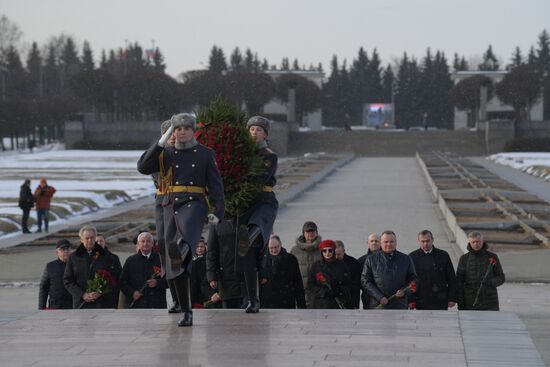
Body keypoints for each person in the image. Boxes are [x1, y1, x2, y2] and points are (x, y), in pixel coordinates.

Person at [137, 113, 224, 327]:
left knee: (181, 248)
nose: (182, 132)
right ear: (172, 132)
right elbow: (143, 167)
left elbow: (216, 186)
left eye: (186, 128)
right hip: (170, 206)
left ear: (193, 130)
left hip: (194, 204)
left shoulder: (205, 153)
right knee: (173, 258)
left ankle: (185, 306)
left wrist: (218, 212)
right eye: (178, 129)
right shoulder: (165, 153)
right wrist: (162, 140)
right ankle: (186, 309)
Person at [233, 116, 279, 314]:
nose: (254, 132)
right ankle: (253, 299)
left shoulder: (269, 156)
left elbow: (258, 178)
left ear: (265, 134)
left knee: (254, 232)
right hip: (244, 205)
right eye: (251, 129)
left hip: (263, 202)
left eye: (259, 130)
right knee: (247, 257)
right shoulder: (238, 154)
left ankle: (252, 235)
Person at [152, 120, 180, 314]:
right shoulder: (158, 156)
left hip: (179, 202)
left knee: (176, 249)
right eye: (168, 135)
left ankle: (181, 298)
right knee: (163, 247)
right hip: (162, 201)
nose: (172, 138)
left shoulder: (185, 154)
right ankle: (176, 297)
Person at [63, 225, 118, 309]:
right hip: (81, 303)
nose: (90, 240)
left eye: (92, 238)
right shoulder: (73, 257)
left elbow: (114, 277)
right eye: (87, 238)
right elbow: (68, 280)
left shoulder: (106, 256)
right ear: (81, 239)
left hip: (103, 303)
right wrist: (82, 294)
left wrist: (101, 292)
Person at [361, 230, 417, 309]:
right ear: (381, 243)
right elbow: (365, 280)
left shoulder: (406, 259)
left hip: (399, 305)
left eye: (391, 242)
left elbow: (414, 280)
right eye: (386, 242)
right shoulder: (371, 259)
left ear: (396, 242)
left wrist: (404, 291)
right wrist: (379, 297)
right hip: (378, 305)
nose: (389, 244)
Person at [408, 230, 458, 310]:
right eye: (423, 241)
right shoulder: (412, 257)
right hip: (420, 301)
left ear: (432, 240)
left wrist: (452, 298)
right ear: (419, 241)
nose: (425, 244)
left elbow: (451, 278)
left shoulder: (443, 255)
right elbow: (409, 281)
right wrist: (410, 300)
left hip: (440, 299)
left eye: (428, 241)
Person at [457, 231, 505, 311]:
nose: (476, 244)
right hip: (470, 303)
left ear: (482, 241)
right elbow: (459, 282)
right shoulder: (464, 259)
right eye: (473, 242)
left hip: (490, 303)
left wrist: (491, 282)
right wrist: (461, 304)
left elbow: (501, 277)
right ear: (469, 242)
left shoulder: (492, 257)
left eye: (478, 241)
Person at [120, 232, 167, 309]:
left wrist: (157, 283)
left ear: (152, 244)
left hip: (157, 305)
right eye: (143, 241)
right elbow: (122, 281)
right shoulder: (130, 260)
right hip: (138, 305)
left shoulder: (161, 259)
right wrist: (132, 293)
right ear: (138, 244)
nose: (145, 244)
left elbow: (170, 280)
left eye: (148, 241)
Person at [260, 235, 306, 309]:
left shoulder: (291, 259)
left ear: (280, 244)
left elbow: (298, 283)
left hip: (286, 301)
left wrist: (302, 306)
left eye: (276, 247)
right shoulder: (262, 261)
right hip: (267, 303)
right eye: (271, 248)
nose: (274, 250)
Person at [306, 240, 352, 309]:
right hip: (320, 304)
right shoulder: (316, 266)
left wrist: (338, 291)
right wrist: (323, 292)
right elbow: (310, 286)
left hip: (337, 303)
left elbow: (348, 284)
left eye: (330, 250)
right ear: (321, 252)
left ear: (333, 251)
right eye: (324, 251)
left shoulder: (342, 265)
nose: (327, 253)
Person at [38, 239, 73, 310]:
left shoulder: (77, 265)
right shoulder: (50, 266)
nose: (66, 251)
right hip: (56, 306)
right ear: (57, 252)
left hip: (74, 305)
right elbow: (43, 287)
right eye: (63, 249)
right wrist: (41, 307)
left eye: (67, 249)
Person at [290, 221, 323, 294]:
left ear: (316, 232)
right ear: (303, 233)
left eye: (312, 231)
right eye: (308, 231)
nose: (310, 233)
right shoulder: (294, 250)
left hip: (318, 289)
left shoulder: (323, 249)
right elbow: (290, 269)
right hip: (300, 288)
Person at [190, 237, 220, 308]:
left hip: (206, 291)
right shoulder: (191, 261)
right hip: (194, 292)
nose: (199, 249)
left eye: (202, 247)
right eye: (197, 247)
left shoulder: (209, 260)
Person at [96, 233, 123, 308]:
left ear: (104, 242)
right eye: (97, 241)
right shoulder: (89, 259)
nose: (99, 243)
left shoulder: (114, 258)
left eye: (101, 241)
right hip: (94, 297)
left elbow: (120, 277)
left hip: (111, 297)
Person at [334, 240, 361, 309]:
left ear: (344, 251)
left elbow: (356, 287)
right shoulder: (329, 263)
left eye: (339, 254)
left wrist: (355, 304)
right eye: (335, 254)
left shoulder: (354, 263)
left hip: (350, 299)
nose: (336, 257)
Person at [357, 233, 381, 309]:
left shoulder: (387, 259)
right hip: (368, 297)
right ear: (367, 243)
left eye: (376, 241)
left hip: (385, 297)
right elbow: (359, 281)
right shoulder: (361, 261)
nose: (374, 243)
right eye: (372, 241)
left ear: (381, 243)